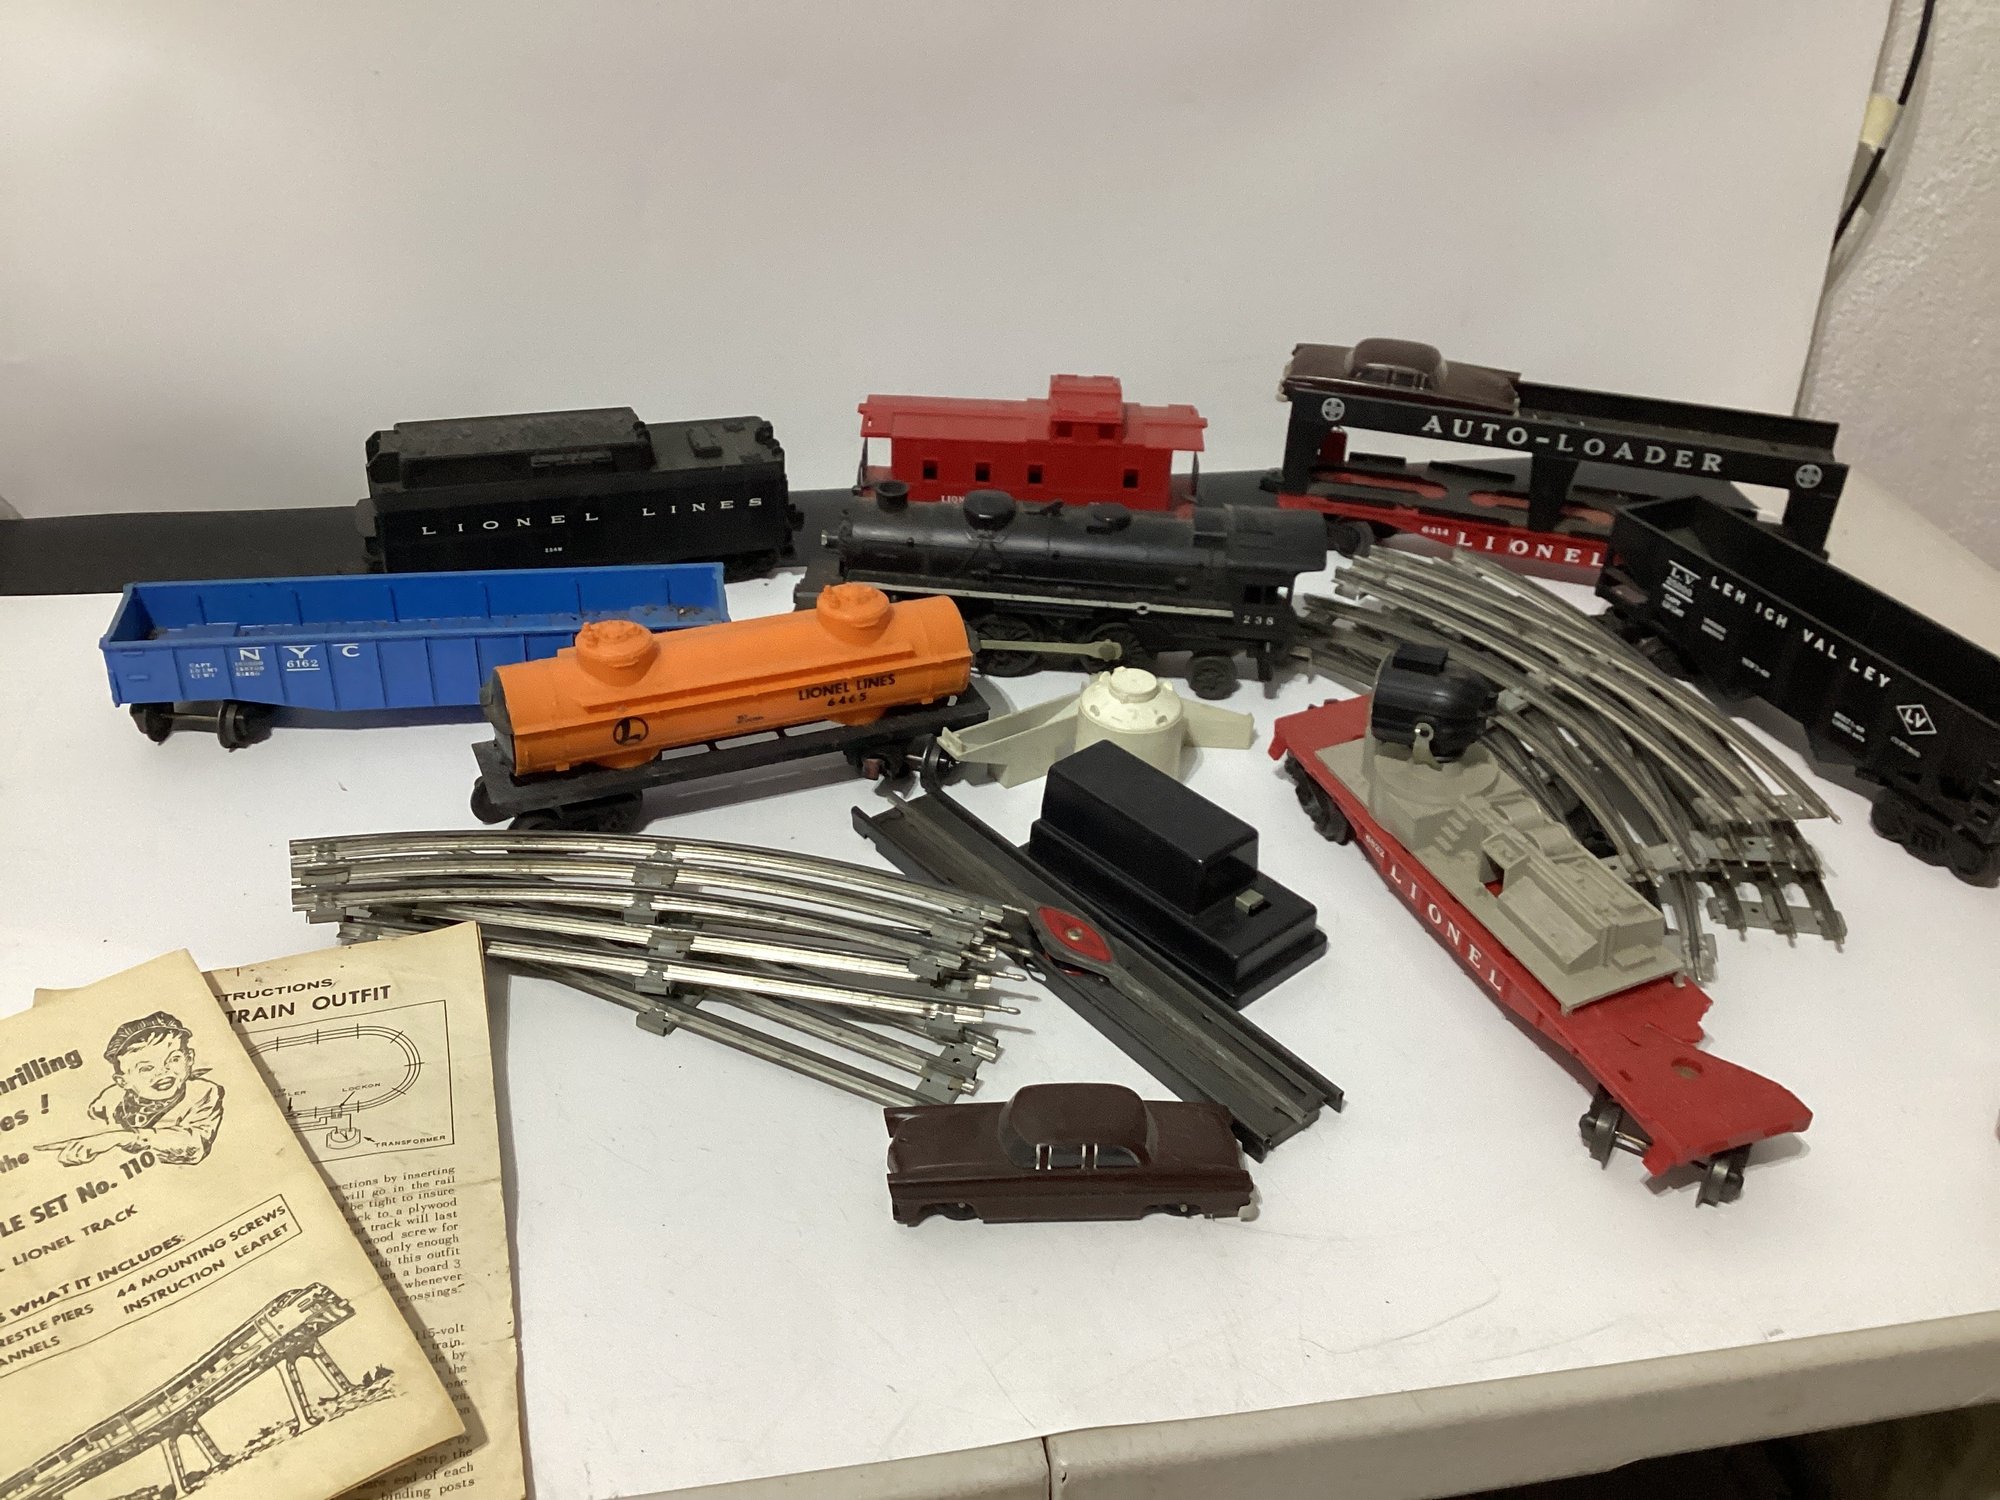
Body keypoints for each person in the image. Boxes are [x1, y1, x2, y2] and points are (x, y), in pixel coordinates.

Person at [53, 1012, 225, 1166]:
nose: (163, 1072)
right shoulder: (108, 1100)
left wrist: (121, 1138)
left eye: (174, 1059)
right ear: (123, 1082)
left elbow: (193, 1146)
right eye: (146, 1068)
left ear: (190, 1058)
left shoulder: (203, 1092)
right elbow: (89, 1132)